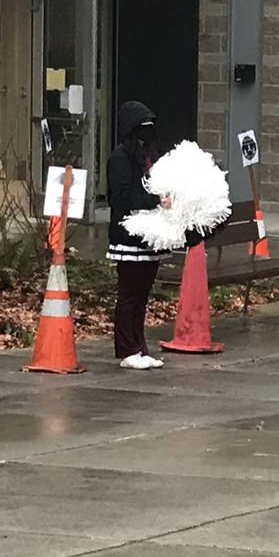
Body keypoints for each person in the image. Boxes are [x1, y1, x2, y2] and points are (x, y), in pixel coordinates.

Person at [105, 99, 164, 369]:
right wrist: (154, 201)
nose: (147, 133)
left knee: (142, 296)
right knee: (129, 295)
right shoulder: (119, 158)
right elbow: (121, 197)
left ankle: (140, 347)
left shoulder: (147, 157)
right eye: (142, 127)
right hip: (127, 236)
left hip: (148, 237)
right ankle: (126, 349)